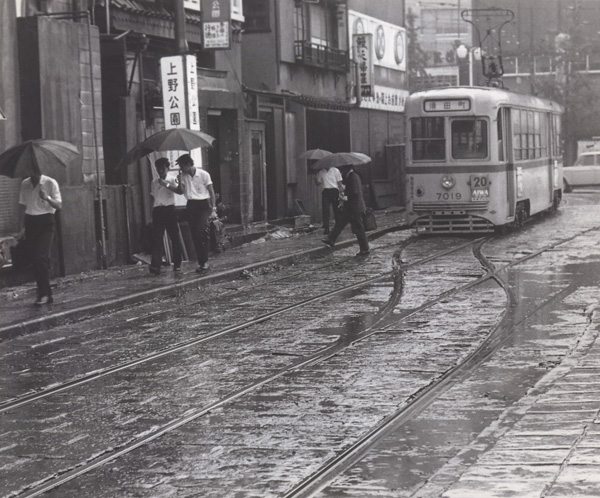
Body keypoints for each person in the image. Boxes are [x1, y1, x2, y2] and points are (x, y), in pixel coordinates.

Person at [18, 172, 62, 305]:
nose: (32, 173)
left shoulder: (50, 182)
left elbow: (59, 205)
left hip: (46, 223)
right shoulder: (25, 183)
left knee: (40, 257)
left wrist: (47, 197)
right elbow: (22, 206)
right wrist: (21, 228)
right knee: (35, 259)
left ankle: (46, 294)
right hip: (31, 222)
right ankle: (42, 293)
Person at [175, 153, 217, 273]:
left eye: (182, 166)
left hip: (203, 205)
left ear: (188, 165)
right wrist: (178, 182)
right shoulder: (183, 176)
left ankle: (205, 261)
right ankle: (202, 263)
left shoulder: (204, 174)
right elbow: (180, 192)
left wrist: (213, 208)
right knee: (194, 234)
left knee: (201, 231)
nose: (181, 169)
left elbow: (211, 191)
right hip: (191, 205)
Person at [322, 164, 370, 256]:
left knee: (359, 229)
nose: (341, 171)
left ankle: (365, 249)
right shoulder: (352, 176)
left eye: (342, 169)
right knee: (340, 223)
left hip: (355, 207)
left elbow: (354, 192)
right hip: (351, 207)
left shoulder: (353, 177)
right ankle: (330, 239)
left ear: (346, 169)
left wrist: (345, 197)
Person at [149, 157, 183, 275]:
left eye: (163, 168)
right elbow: (153, 197)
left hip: (169, 209)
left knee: (174, 237)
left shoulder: (173, 179)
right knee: (156, 239)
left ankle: (177, 263)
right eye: (159, 168)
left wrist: (166, 184)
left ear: (167, 168)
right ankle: (155, 266)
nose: (161, 171)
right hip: (158, 210)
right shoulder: (154, 182)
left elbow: (180, 191)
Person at [314, 165, 343, 235]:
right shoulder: (321, 172)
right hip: (326, 191)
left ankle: (338, 228)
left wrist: (341, 193)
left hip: (334, 190)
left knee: (336, 210)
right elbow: (318, 183)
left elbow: (339, 183)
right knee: (325, 210)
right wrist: (316, 177)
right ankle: (326, 228)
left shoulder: (336, 170)